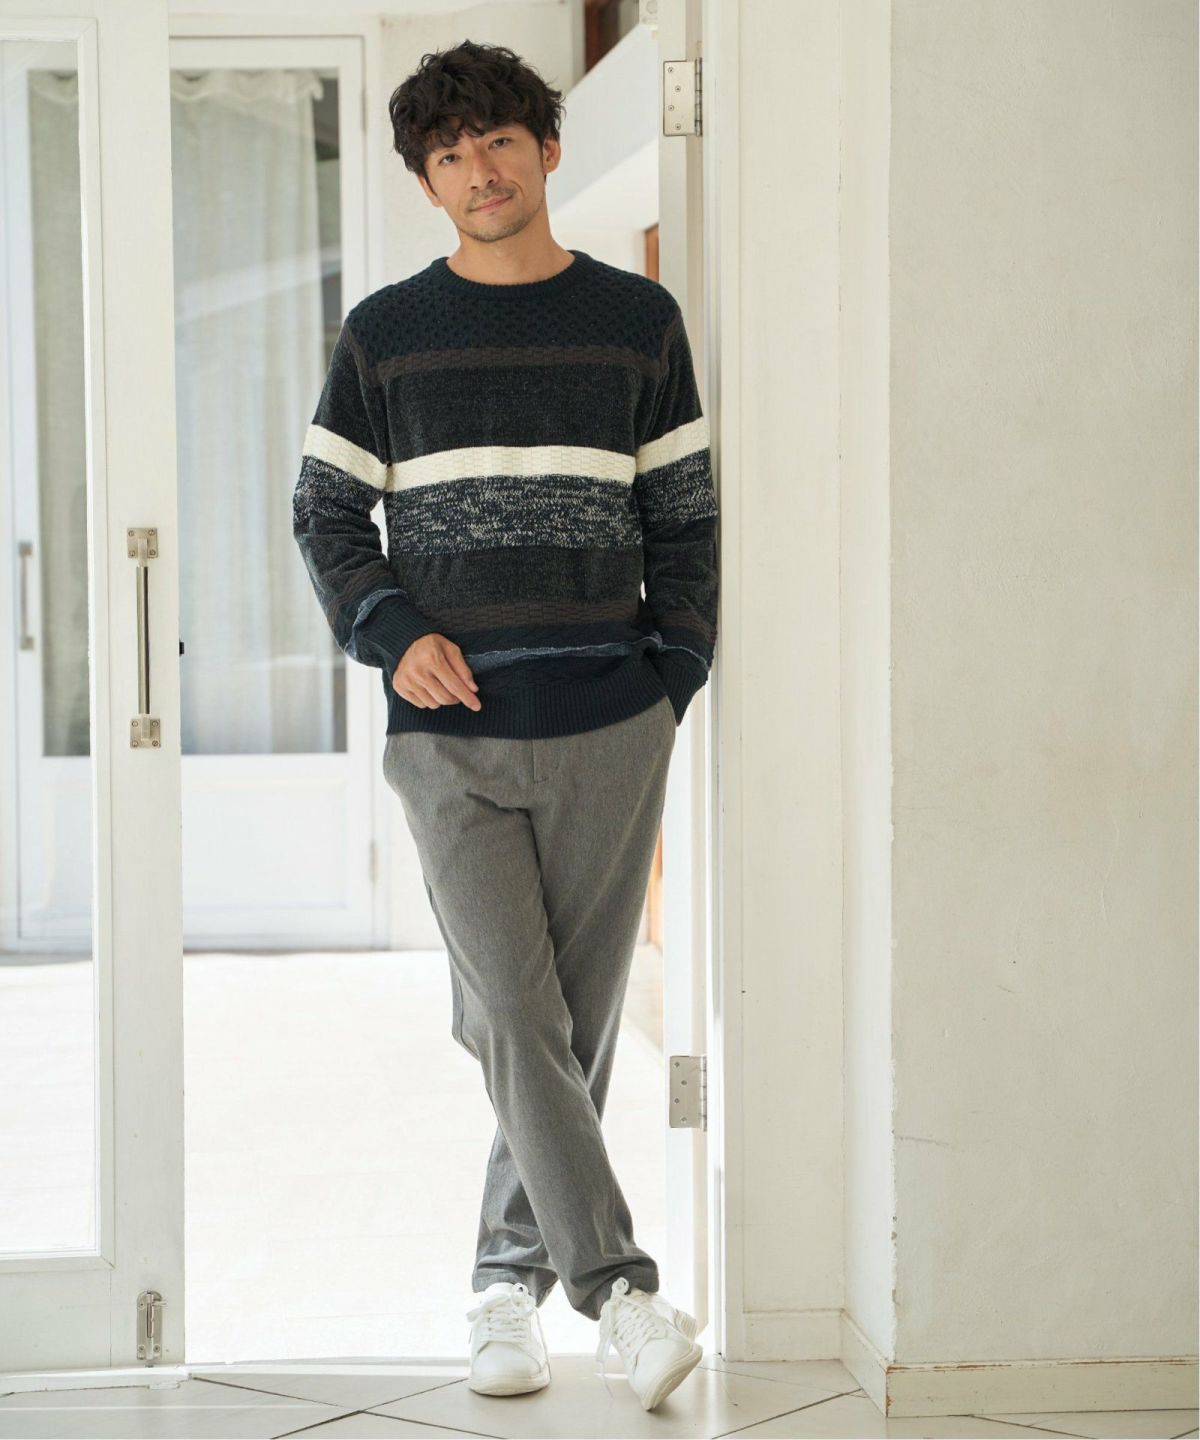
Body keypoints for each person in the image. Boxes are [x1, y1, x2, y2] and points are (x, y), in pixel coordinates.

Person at [292, 37, 718, 1414]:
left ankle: (503, 1291)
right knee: (515, 1017)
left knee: (561, 1028)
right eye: (449, 155)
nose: (478, 171)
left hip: (609, 722)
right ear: (428, 183)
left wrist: (673, 675)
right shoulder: (387, 334)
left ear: (545, 150)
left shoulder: (638, 320)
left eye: (498, 142)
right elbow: (324, 509)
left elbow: (685, 514)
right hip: (450, 734)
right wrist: (388, 630)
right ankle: (624, 1296)